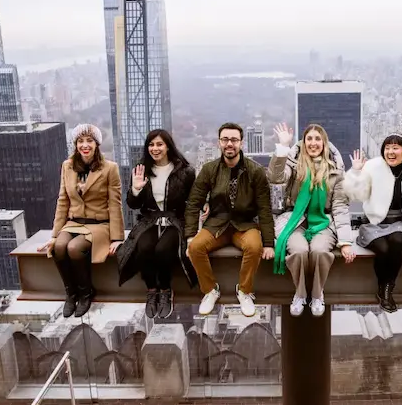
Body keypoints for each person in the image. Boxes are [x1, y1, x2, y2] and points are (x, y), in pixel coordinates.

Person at [185, 122, 275, 317]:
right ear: (219, 143)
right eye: (225, 140)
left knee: (254, 247)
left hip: (245, 224)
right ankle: (210, 290)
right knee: (195, 248)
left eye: (234, 140)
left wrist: (269, 242)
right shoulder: (210, 170)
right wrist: (190, 235)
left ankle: (244, 291)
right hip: (217, 224)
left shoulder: (255, 171)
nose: (229, 144)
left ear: (241, 143)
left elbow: (264, 208)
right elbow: (193, 202)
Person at [269, 123, 355, 317]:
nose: (313, 143)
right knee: (299, 251)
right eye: (309, 139)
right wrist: (283, 147)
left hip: (323, 221)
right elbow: (275, 178)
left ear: (324, 143)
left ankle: (317, 294)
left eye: (318, 139)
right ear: (303, 142)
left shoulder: (336, 172)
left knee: (318, 251)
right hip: (294, 219)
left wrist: (345, 242)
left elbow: (340, 207)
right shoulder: (294, 165)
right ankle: (300, 294)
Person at [39, 124, 125, 318]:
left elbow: (115, 204)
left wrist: (117, 238)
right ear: (75, 144)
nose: (84, 145)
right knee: (59, 247)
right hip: (74, 222)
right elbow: (63, 201)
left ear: (97, 144)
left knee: (74, 248)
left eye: (89, 141)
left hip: (98, 225)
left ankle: (86, 293)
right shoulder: (67, 166)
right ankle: (71, 293)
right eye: (80, 141)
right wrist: (54, 235)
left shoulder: (109, 168)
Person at [115, 129, 197, 319]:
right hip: (149, 219)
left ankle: (166, 290)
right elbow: (133, 205)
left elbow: (193, 201)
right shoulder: (142, 170)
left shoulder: (185, 171)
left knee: (163, 250)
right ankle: (152, 290)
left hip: (175, 221)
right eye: (151, 145)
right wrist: (136, 189)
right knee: (143, 248)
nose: (155, 148)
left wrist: (198, 218)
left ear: (168, 146)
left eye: (159, 144)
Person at [344, 134, 402, 313]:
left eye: (395, 148)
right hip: (373, 222)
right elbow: (356, 195)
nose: (391, 151)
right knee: (382, 248)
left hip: (399, 222)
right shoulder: (373, 167)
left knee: (397, 241)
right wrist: (356, 172)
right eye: (387, 147)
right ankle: (382, 286)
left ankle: (388, 288)